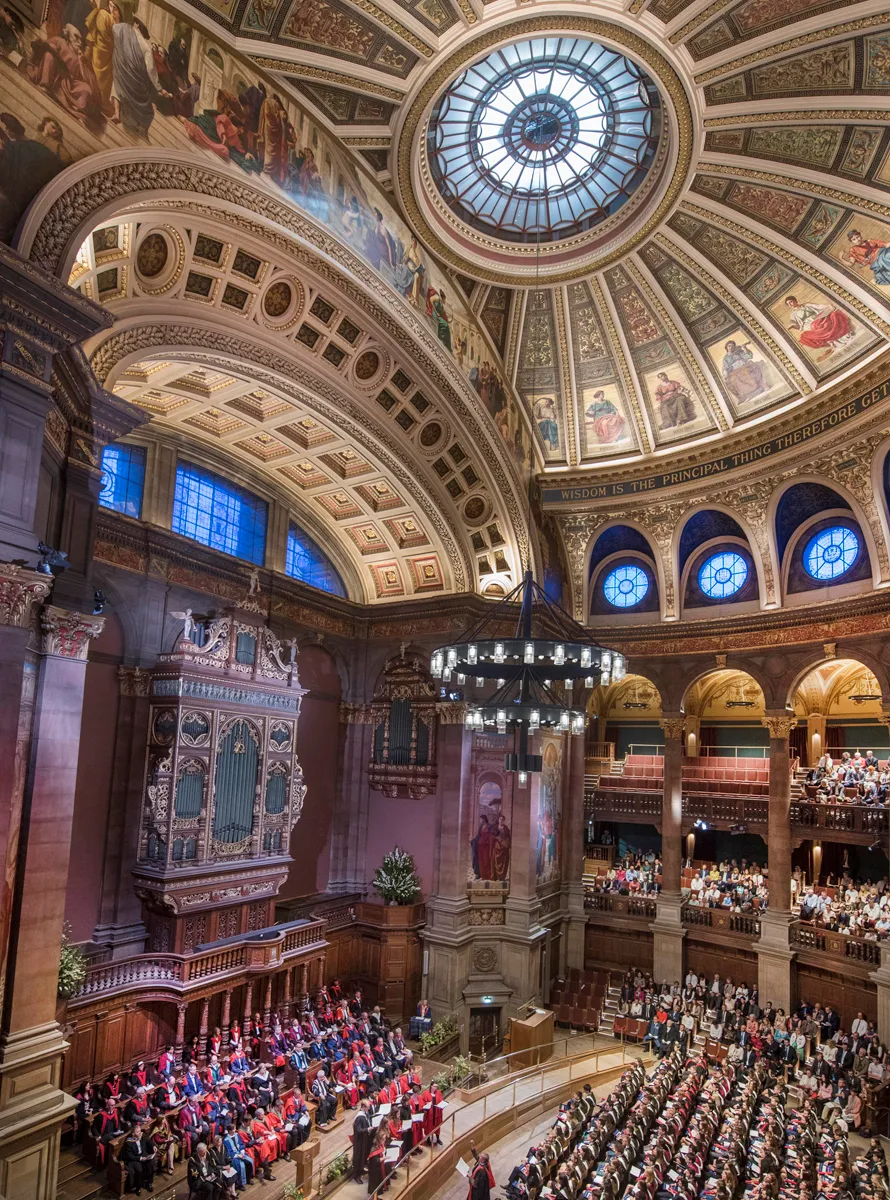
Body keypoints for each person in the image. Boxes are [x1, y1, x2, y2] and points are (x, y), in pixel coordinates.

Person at [120, 1120, 155, 1194]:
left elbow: (149, 1141)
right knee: (139, 1169)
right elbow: (129, 1155)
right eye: (137, 1132)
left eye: (140, 1131)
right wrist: (140, 1158)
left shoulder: (142, 1136)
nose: (140, 1133)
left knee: (151, 1164)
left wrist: (153, 1146)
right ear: (133, 1134)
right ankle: (138, 1187)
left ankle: (149, 1183)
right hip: (135, 1158)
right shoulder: (129, 1142)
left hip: (143, 1154)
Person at [352, 1099, 372, 1182]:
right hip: (359, 1142)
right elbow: (358, 1130)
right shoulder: (359, 1117)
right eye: (367, 1107)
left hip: (364, 1140)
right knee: (358, 1158)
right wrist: (367, 1129)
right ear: (363, 1107)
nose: (369, 1108)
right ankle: (356, 1176)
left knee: (363, 1157)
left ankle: (361, 1170)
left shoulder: (366, 1114)